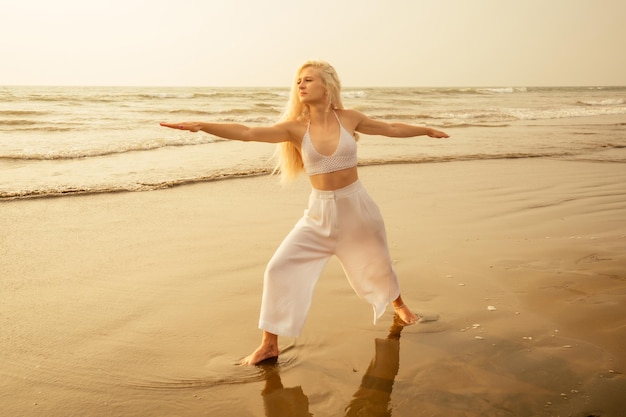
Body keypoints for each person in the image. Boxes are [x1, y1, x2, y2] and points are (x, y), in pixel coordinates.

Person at [160, 60, 449, 365]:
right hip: (318, 214)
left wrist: (425, 130)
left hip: (357, 209)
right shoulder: (295, 128)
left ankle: (400, 306)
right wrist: (203, 125)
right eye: (298, 81)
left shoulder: (349, 118)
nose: (300, 85)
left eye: (308, 80)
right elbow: (247, 132)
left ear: (328, 86)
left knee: (378, 261)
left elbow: (390, 128)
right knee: (278, 268)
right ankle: (269, 344)